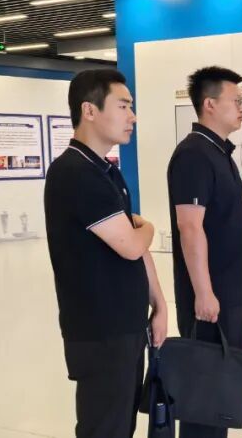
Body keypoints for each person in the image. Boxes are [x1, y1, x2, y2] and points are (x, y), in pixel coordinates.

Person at [44, 69, 168, 438]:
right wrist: (148, 228)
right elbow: (132, 245)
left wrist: (159, 304)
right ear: (90, 110)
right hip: (100, 332)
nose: (133, 117)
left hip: (125, 326)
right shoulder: (74, 172)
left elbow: (135, 246)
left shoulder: (105, 171)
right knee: (105, 428)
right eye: (123, 106)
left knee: (121, 425)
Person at [167, 66, 242, 438]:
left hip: (228, 292)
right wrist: (203, 292)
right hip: (210, 298)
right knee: (204, 392)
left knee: (220, 390)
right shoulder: (194, 155)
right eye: (236, 100)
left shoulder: (219, 152)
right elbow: (190, 226)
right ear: (209, 104)